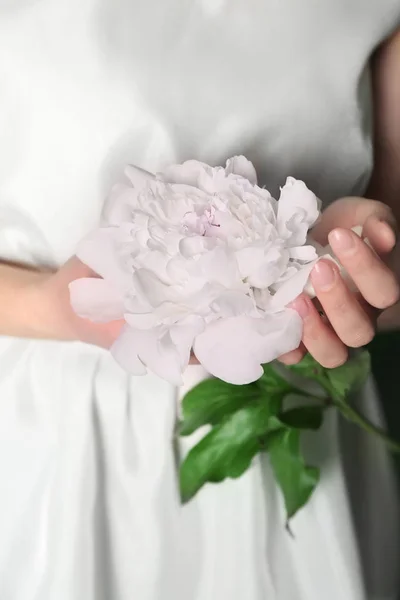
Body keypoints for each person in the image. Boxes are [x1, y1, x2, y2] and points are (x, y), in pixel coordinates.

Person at [0, 1, 399, 599]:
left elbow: (388, 237)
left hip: (296, 410)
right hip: (48, 436)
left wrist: (357, 278)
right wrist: (52, 306)